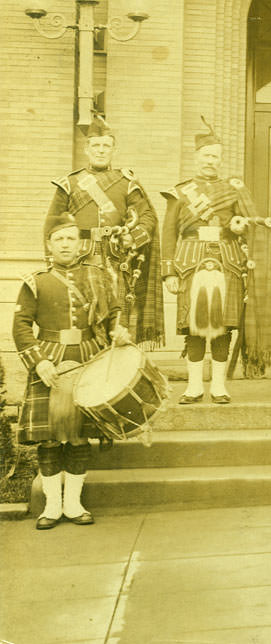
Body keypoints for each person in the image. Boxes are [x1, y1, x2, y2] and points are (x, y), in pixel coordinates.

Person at [13, 213, 129, 529]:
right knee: (50, 439)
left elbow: (114, 315)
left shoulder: (98, 277)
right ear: (49, 245)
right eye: (59, 239)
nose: (65, 244)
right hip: (49, 359)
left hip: (90, 357)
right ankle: (52, 505)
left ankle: (74, 503)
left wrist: (119, 331)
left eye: (70, 238)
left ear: (80, 244)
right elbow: (21, 326)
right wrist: (40, 362)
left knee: (79, 437)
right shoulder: (36, 281)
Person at [161, 118, 271, 404]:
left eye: (216, 157)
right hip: (190, 261)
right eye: (206, 155)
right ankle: (194, 387)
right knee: (195, 329)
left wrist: (240, 227)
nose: (211, 161)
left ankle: (220, 386)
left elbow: (250, 225)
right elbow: (168, 234)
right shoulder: (180, 191)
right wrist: (169, 273)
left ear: (221, 160)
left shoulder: (234, 188)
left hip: (228, 262)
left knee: (223, 328)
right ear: (196, 157)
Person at [45, 113, 164, 347]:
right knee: (81, 313)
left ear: (114, 150)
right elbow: (52, 224)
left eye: (106, 146)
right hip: (80, 258)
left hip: (116, 258)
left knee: (118, 315)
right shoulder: (69, 183)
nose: (101, 150)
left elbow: (148, 216)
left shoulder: (126, 181)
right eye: (96, 146)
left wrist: (133, 237)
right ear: (87, 150)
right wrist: (53, 262)